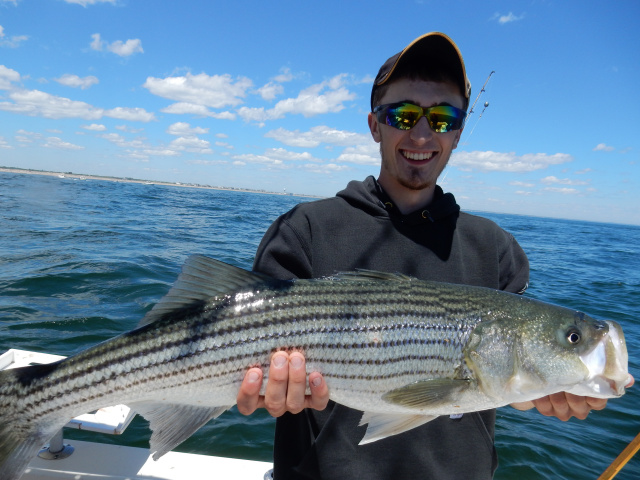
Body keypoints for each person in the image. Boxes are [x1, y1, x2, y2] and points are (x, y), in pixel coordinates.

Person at [235, 32, 631, 479]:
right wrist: (257, 393)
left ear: (458, 132)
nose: (421, 134)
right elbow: (240, 349)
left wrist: (550, 389)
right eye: (402, 114)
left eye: (442, 118)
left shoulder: (495, 248)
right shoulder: (304, 229)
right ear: (374, 125)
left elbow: (501, 380)